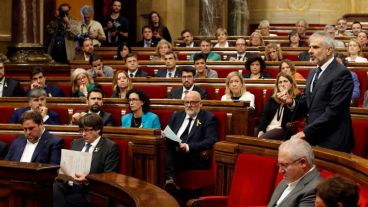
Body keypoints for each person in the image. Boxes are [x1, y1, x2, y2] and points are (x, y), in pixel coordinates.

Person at [287, 31, 354, 153]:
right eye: (310, 47)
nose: (310, 51)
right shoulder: (313, 72)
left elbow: (334, 111)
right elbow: (308, 102)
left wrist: (305, 132)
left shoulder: (341, 73)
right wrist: (291, 102)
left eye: (315, 47)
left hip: (333, 141)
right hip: (314, 137)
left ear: (329, 50)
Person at [53, 113, 120, 207]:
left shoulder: (109, 147)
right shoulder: (76, 143)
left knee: (66, 200)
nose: (83, 134)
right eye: (81, 130)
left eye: (87, 130)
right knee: (54, 187)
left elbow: (109, 175)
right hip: (71, 184)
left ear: (98, 129)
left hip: (90, 189)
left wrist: (87, 179)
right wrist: (62, 172)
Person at [164, 91, 219, 190]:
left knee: (169, 152)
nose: (189, 105)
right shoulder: (176, 115)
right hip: (174, 150)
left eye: (193, 102)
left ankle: (170, 179)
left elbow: (211, 140)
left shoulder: (209, 118)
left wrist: (188, 147)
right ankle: (169, 180)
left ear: (200, 104)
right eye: (186, 102)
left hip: (194, 156)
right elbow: (168, 133)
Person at [267, 138, 322, 207]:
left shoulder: (314, 189)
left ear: (303, 162)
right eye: (279, 164)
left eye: (284, 165)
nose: (280, 171)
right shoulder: (290, 178)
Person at [257, 72, 301, 140]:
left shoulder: (297, 97)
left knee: (262, 139)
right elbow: (265, 115)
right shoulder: (273, 97)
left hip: (282, 129)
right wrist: (261, 130)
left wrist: (288, 100)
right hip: (269, 127)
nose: (282, 84)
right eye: (280, 82)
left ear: (291, 84)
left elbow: (296, 116)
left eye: (285, 81)